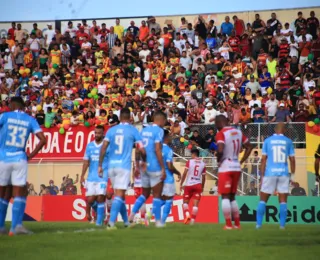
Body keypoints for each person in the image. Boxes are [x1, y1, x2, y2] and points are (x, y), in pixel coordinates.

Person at [0, 97, 46, 235]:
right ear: (22, 106)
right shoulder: (30, 119)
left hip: (3, 158)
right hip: (20, 158)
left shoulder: (5, 116)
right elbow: (43, 140)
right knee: (20, 192)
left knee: (3, 193)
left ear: (12, 105)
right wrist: (30, 155)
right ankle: (16, 227)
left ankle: (1, 227)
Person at [98, 108, 145, 230]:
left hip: (111, 167)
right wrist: (142, 162)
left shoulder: (111, 130)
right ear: (130, 118)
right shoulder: (133, 130)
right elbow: (140, 148)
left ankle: (126, 222)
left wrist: (99, 165)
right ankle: (111, 223)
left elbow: (103, 148)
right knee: (119, 194)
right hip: (123, 167)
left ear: (119, 118)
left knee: (121, 196)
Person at [129, 111, 167, 228]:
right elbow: (157, 149)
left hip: (142, 165)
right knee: (157, 194)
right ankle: (158, 222)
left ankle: (132, 214)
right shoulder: (159, 131)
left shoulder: (144, 131)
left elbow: (138, 149)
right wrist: (162, 167)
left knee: (144, 194)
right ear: (160, 120)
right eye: (164, 121)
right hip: (154, 165)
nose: (164, 123)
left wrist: (137, 165)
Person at [215, 115, 253, 229]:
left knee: (225, 196)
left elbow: (220, 149)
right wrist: (241, 161)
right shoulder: (238, 132)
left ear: (218, 123)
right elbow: (249, 147)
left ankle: (228, 224)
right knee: (232, 197)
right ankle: (237, 224)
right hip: (236, 166)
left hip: (226, 166)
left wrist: (218, 161)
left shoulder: (221, 133)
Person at [256, 123, 295, 230]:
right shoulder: (288, 141)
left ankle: (258, 225)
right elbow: (292, 159)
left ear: (274, 129)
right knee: (283, 201)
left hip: (270, 173)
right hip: (283, 173)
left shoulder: (267, 141)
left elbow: (264, 159)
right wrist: (293, 176)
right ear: (285, 130)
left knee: (263, 200)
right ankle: (282, 226)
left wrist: (262, 175)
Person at [80, 125, 108, 226]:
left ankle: (99, 222)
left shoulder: (106, 146)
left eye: (99, 133)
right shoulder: (90, 146)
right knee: (90, 199)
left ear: (103, 134)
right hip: (91, 177)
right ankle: (100, 214)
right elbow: (86, 162)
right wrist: (82, 175)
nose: (96, 135)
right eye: (95, 133)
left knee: (101, 197)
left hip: (102, 177)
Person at [180, 148, 206, 225]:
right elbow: (204, 177)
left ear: (194, 154)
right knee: (195, 205)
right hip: (198, 184)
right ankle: (192, 222)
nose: (191, 155)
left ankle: (187, 215)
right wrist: (202, 187)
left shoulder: (189, 162)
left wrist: (181, 183)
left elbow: (185, 173)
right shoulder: (203, 163)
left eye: (191, 154)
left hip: (189, 184)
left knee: (185, 203)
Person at [161, 130, 181, 225]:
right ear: (165, 137)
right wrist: (178, 172)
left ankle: (149, 215)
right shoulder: (168, 150)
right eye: (169, 136)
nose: (170, 137)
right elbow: (169, 166)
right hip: (167, 178)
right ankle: (162, 222)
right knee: (169, 199)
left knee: (161, 199)